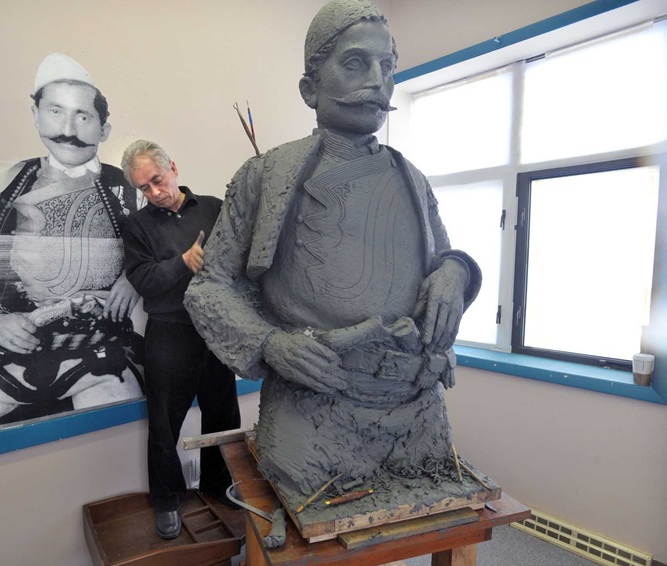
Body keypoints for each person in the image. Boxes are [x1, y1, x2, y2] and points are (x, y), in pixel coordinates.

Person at [185, 0, 482, 501]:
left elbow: (441, 258)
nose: (377, 81)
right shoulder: (265, 176)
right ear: (310, 88)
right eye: (355, 63)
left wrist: (458, 271)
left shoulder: (411, 178)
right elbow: (209, 286)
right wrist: (269, 343)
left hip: (417, 409)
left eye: (387, 66)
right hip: (312, 411)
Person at [0, 54, 145, 438]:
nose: (68, 130)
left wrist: (135, 278)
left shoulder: (130, 188)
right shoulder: (9, 186)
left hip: (106, 352)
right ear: (36, 116)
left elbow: (165, 256)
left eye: (83, 116)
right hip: (19, 351)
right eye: (55, 112)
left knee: (110, 440)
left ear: (104, 128)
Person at [121, 140, 241, 540]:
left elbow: (238, 256)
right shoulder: (137, 226)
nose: (154, 192)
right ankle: (167, 499)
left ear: (172, 168)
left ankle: (218, 484)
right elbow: (143, 280)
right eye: (144, 188)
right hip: (169, 331)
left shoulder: (213, 208)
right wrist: (183, 262)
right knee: (164, 421)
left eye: (157, 180)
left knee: (222, 412)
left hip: (215, 327)